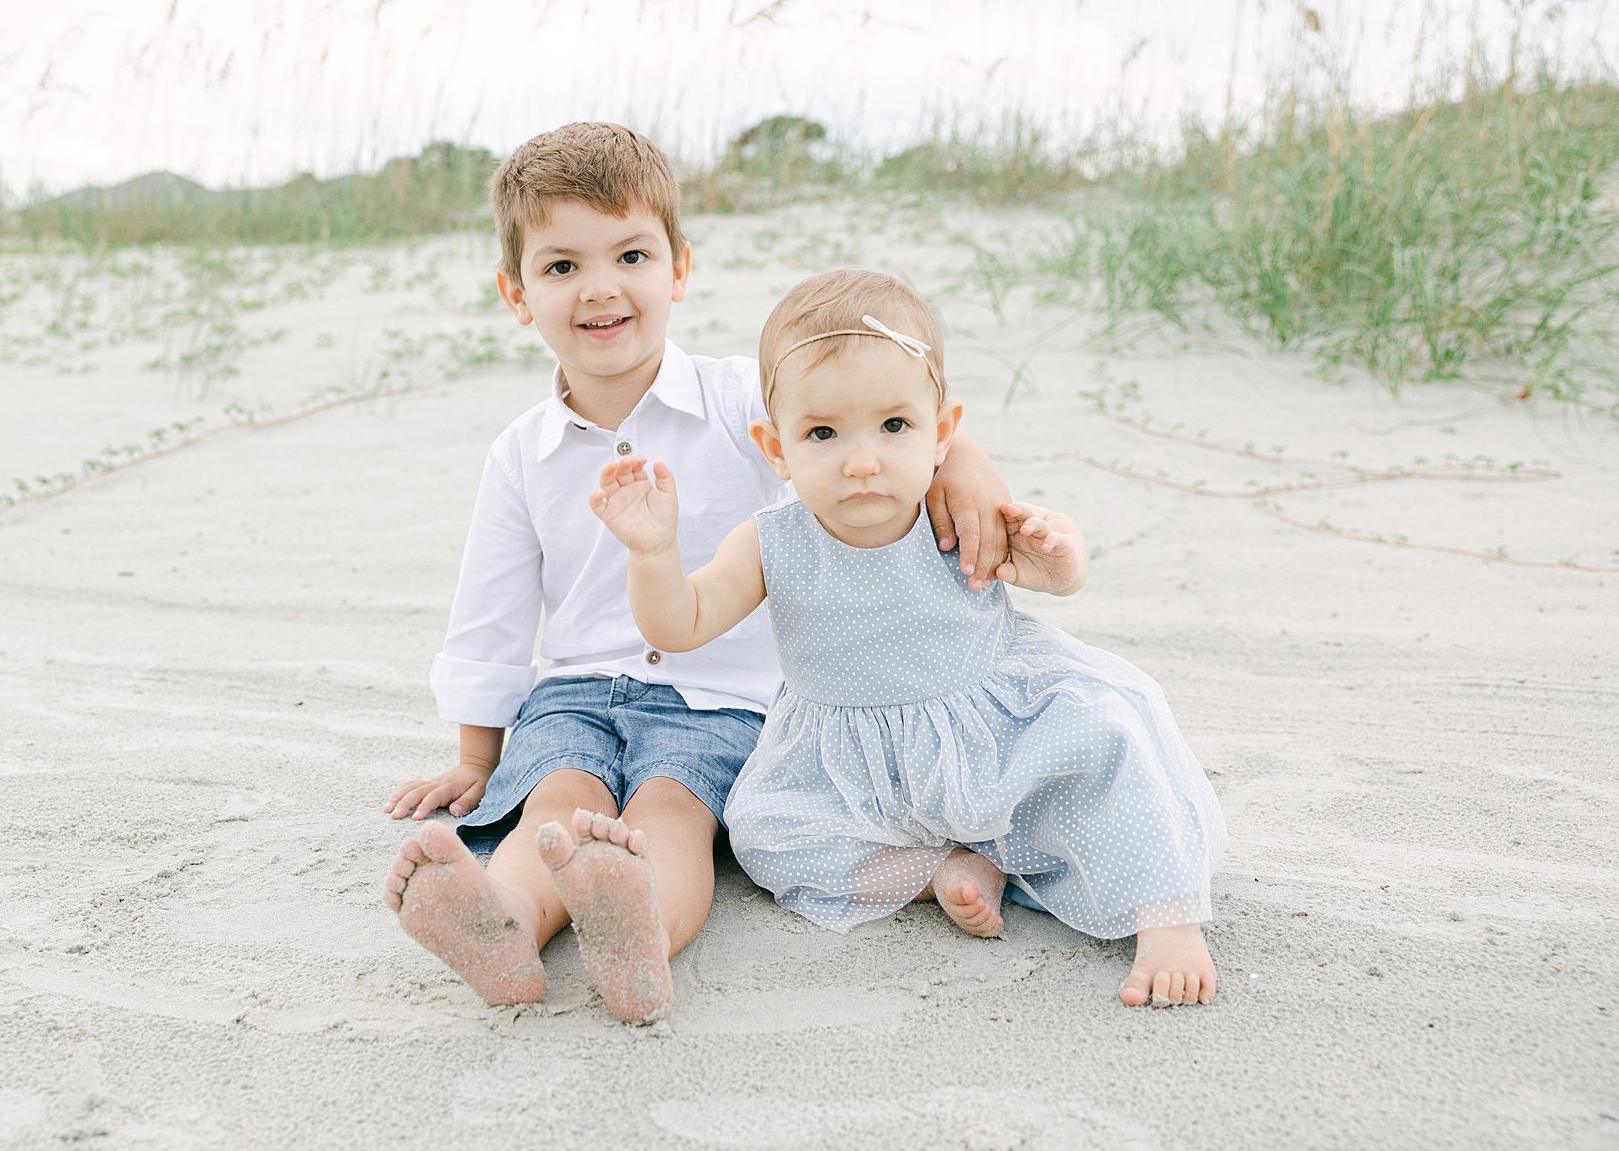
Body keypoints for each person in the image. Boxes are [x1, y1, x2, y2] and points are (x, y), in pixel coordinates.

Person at [381, 125, 1018, 1022]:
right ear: (516, 293)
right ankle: (507, 924)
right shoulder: (521, 452)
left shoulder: (743, 399)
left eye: (630, 255)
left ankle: (640, 927)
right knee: (555, 804)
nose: (600, 287)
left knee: (671, 811)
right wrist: (474, 755)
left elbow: (878, 410)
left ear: (678, 269)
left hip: (720, 696)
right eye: (561, 266)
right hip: (571, 692)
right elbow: (490, 609)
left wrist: (970, 467)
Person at [588, 267, 1228, 1006]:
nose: (863, 459)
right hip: (856, 766)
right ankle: (938, 869)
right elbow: (680, 621)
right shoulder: (770, 542)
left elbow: (1055, 570)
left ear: (941, 431)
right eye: (822, 433)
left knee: (1113, 733)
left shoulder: (949, 512)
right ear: (776, 447)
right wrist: (652, 551)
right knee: (762, 833)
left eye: (894, 426)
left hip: (995, 734)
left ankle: (1166, 917)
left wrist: (1060, 555)